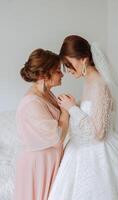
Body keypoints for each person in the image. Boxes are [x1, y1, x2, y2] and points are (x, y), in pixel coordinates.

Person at [48, 35, 118, 200]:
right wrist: (75, 105)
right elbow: (92, 113)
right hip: (78, 148)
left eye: (69, 65)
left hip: (98, 153)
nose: (69, 71)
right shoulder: (89, 81)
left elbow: (99, 133)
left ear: (84, 59)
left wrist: (72, 108)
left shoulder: (100, 85)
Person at [14, 49, 69, 200]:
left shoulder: (47, 93)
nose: (62, 74)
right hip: (38, 166)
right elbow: (57, 135)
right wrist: (66, 111)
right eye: (58, 70)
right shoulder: (31, 102)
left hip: (50, 161)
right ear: (44, 74)